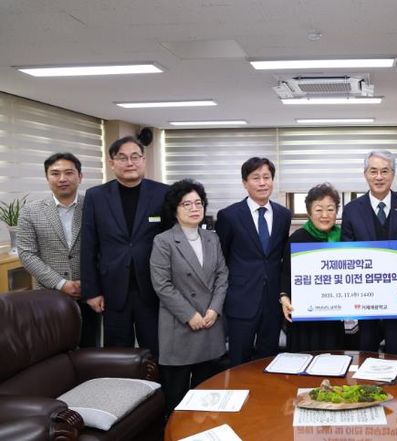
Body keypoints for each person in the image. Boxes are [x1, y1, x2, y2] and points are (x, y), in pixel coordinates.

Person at [81, 136, 169, 357]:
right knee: (118, 353)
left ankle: (156, 381)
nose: (130, 163)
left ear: (143, 160)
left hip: (153, 288)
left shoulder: (163, 193)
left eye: (135, 157)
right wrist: (91, 291)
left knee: (156, 349)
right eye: (122, 158)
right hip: (112, 289)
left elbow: (172, 242)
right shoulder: (96, 196)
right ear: (112, 163)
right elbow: (89, 245)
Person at [150, 179, 228, 414]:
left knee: (209, 398)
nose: (194, 208)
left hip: (210, 324)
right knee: (177, 400)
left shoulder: (212, 238)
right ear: (175, 209)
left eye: (198, 203)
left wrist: (214, 309)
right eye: (187, 204)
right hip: (180, 326)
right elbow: (162, 285)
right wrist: (189, 315)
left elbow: (222, 275)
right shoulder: (163, 241)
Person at [341, 150, 397, 355]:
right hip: (365, 293)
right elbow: (347, 249)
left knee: (395, 348)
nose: (379, 177)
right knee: (366, 346)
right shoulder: (351, 209)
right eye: (373, 171)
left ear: (393, 174)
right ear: (365, 174)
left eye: (385, 171)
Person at [17, 152, 100, 347]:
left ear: (80, 176)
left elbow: (105, 248)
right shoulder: (30, 211)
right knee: (50, 351)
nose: (62, 179)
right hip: (48, 295)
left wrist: (90, 281)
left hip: (89, 294)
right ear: (47, 178)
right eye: (55, 173)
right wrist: (61, 283)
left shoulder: (95, 207)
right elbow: (27, 254)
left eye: (69, 173)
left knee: (90, 349)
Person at [215, 157, 291, 366]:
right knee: (239, 361)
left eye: (267, 177)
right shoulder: (229, 216)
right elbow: (221, 259)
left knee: (269, 360)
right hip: (241, 300)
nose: (262, 183)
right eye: (256, 178)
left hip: (272, 302)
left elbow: (280, 255)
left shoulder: (284, 215)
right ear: (244, 183)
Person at [279, 183, 345, 351]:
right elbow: (286, 274)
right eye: (319, 210)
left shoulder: (344, 239)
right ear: (309, 212)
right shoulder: (297, 239)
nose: (325, 215)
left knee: (333, 359)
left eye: (330, 209)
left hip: (333, 316)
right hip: (304, 317)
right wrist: (284, 298)